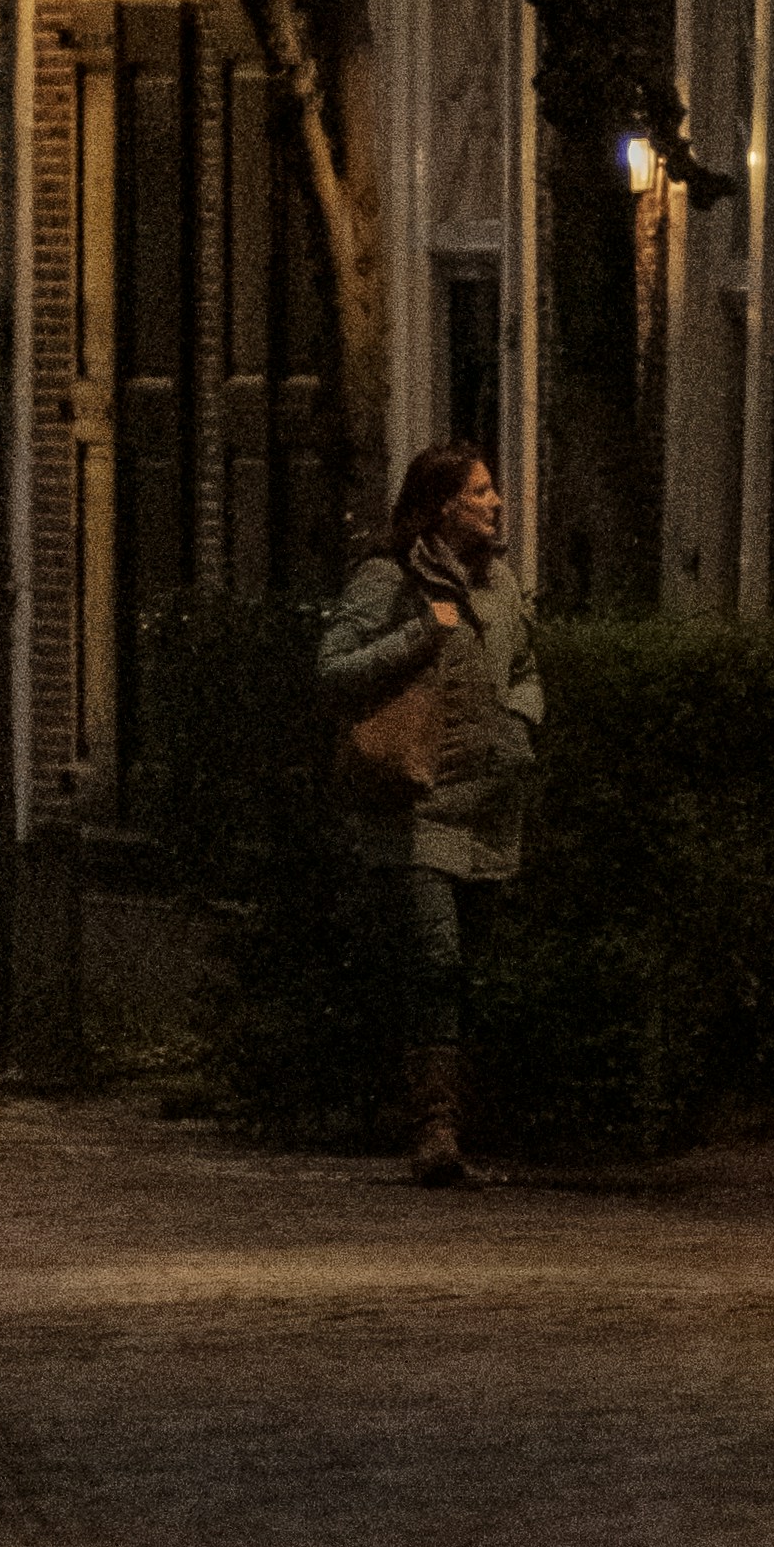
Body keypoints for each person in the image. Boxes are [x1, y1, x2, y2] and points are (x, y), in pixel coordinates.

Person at [319, 440, 540, 1187]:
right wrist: (418, 636)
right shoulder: (388, 578)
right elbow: (332, 670)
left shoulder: (501, 582)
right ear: (442, 503)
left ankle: (456, 1120)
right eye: (480, 492)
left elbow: (526, 665)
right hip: (416, 803)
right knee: (436, 960)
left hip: (488, 804)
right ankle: (433, 1133)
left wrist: (521, 724)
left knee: (466, 969)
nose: (495, 503)